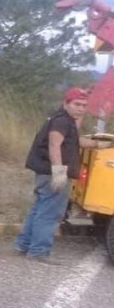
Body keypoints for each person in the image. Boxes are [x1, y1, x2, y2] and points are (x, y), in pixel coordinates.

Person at [14, 87, 110, 264]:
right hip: (53, 173)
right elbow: (54, 145)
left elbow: (75, 141)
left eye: (84, 105)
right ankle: (38, 252)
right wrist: (59, 172)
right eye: (77, 104)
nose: (81, 108)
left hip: (45, 172)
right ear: (66, 103)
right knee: (50, 213)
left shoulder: (65, 120)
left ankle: (22, 245)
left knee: (39, 209)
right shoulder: (61, 122)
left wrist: (100, 145)